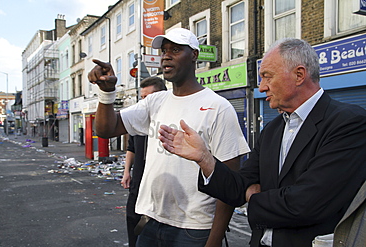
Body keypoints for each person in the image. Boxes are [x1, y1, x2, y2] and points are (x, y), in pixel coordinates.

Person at [158, 38, 366, 247]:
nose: (261, 86)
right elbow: (238, 187)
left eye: (267, 76)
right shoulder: (273, 129)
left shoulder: (348, 123)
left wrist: (252, 197)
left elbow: (305, 204)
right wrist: (205, 159)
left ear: (299, 75)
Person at [88, 27, 250, 246]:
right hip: (150, 221)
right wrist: (106, 92)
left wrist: (214, 239)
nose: (166, 56)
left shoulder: (218, 107)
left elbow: (229, 183)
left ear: (194, 55)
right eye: (164, 51)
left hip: (194, 229)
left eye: (175, 50)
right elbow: (107, 129)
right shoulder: (156, 102)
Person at [120, 76, 167, 247]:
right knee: (133, 224)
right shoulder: (138, 120)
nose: (143, 103)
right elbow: (131, 148)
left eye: (147, 98)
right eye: (141, 98)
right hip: (138, 184)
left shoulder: (169, 120)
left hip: (161, 187)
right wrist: (126, 172)